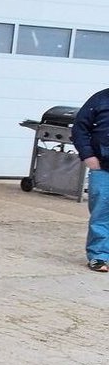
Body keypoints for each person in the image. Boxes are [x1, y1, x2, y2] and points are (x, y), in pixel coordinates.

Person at [72, 87, 109, 272]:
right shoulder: (100, 99)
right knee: (101, 213)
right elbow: (79, 129)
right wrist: (88, 156)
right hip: (103, 168)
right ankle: (99, 256)